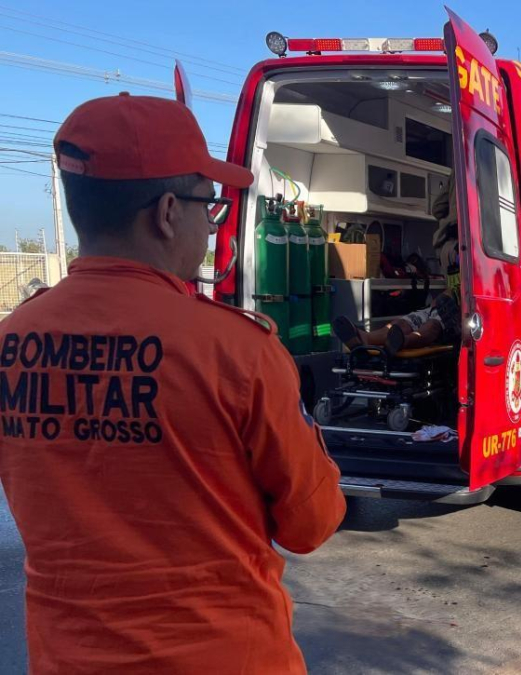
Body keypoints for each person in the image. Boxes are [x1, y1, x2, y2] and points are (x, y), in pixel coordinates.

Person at [0, 94, 345, 674]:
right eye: (207, 208)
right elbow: (313, 523)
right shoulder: (239, 350)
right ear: (165, 213)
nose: (210, 228)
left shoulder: (11, 343)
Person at [332, 174, 460, 355]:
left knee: (430, 326)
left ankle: (401, 341)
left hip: (453, 311)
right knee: (407, 321)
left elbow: (438, 207)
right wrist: (443, 299)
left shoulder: (458, 173)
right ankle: (367, 338)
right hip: (450, 305)